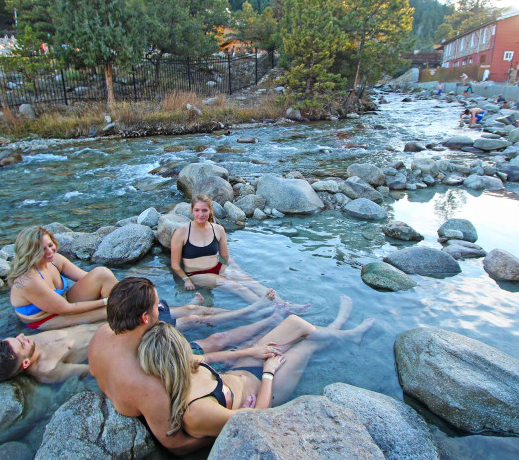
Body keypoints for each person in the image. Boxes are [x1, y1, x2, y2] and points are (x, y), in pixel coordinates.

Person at [90, 277, 289, 454]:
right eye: (157, 306)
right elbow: (176, 445)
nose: (160, 309)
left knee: (217, 340)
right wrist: (223, 424)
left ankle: (265, 318)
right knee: (222, 341)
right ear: (145, 318)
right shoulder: (149, 384)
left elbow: (93, 370)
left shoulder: (103, 334)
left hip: (167, 355)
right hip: (186, 386)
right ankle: (271, 320)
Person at [137, 296, 373, 440]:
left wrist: (249, 352)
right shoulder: (196, 411)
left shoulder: (182, 365)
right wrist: (269, 371)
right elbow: (257, 418)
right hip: (267, 392)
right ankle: (345, 331)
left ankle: (342, 331)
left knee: (294, 324)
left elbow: (208, 357)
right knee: (307, 346)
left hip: (247, 369)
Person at [0, 291, 284, 384]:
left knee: (192, 316)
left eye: (15, 338)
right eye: (19, 344)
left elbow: (72, 318)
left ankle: (257, 311)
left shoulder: (33, 338)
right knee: (212, 336)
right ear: (24, 365)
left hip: (125, 323)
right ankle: (268, 316)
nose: (21, 337)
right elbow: (96, 371)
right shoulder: (48, 370)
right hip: (137, 341)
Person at [170, 194, 308, 310]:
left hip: (217, 267)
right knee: (237, 287)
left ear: (210, 211)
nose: (200, 214)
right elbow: (175, 265)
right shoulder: (181, 232)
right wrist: (186, 279)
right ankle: (268, 309)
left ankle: (285, 305)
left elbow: (225, 255)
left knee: (250, 281)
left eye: (204, 210)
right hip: (196, 273)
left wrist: (237, 269)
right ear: (192, 211)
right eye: (197, 210)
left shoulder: (218, 229)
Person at [8, 226, 117, 330]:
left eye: (50, 245)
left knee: (102, 274)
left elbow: (89, 278)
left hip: (63, 302)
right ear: (30, 252)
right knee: (112, 310)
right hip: (45, 318)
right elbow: (66, 308)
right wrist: (107, 301)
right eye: (42, 249)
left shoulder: (55, 260)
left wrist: (124, 290)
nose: (50, 252)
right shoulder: (29, 280)